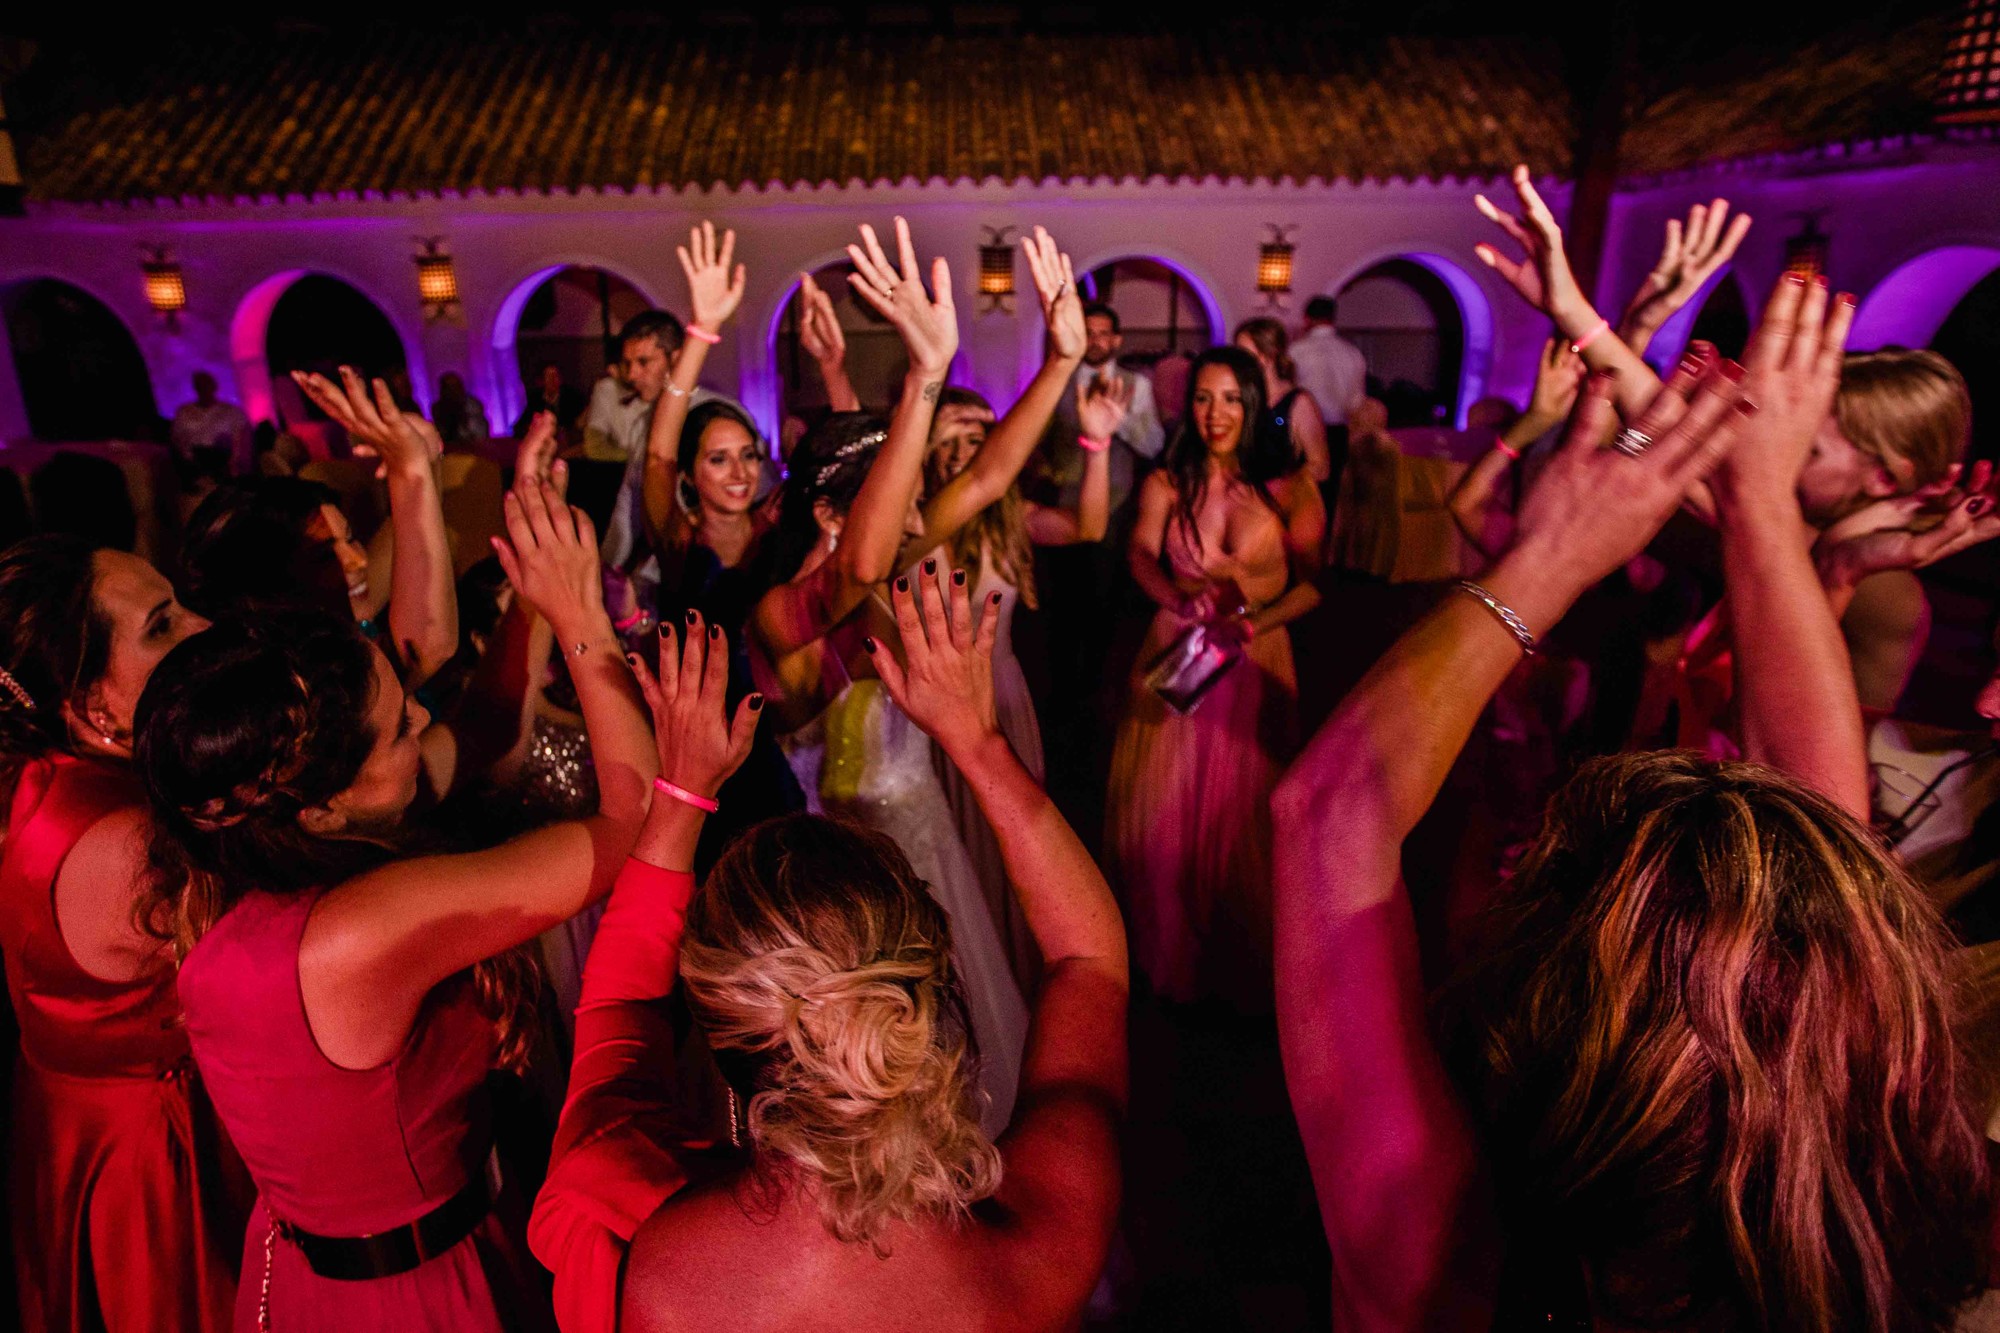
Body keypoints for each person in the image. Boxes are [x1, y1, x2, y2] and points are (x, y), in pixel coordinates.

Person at [1273, 276, 1992, 1330]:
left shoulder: (1445, 1253)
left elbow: (1324, 811)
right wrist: (1771, 520)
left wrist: (1551, 552)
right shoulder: (1877, 1247)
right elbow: (1821, 865)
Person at [533, 568, 1129, 1333]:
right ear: (923, 993)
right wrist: (978, 743)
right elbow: (1090, 962)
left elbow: (619, 1008)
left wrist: (679, 798)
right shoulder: (1035, 1255)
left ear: (721, 1035)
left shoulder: (657, 1274)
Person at [134, 472, 657, 1333]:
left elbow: (483, 731)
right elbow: (631, 822)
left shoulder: (231, 853)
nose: (423, 716)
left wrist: (531, 604)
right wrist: (584, 624)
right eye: (400, 725)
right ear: (324, 805)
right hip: (410, 1294)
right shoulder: (364, 926)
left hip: (307, 1269)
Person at [752, 219, 1083, 1134]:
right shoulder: (779, 612)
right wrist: (924, 375)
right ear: (828, 511)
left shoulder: (886, 548)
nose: (913, 516)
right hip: (825, 884)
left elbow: (987, 478)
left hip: (915, 854)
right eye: (888, 497)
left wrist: (1060, 361)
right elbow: (852, 574)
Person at [0, 536, 249, 1333]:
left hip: (73, 1138)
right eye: (162, 624)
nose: (205, 627)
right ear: (94, 709)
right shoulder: (137, 839)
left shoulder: (47, 775)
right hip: (151, 1169)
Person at [1105, 344, 1325, 1009]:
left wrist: (1254, 621)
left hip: (1256, 662)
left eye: (1231, 397)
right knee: (1165, 813)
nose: (1216, 412)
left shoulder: (1289, 485)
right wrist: (1174, 598)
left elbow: (1315, 585)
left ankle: (1242, 960)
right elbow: (1141, 553)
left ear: (1253, 403)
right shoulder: (1166, 483)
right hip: (1181, 655)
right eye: (1203, 397)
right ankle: (1173, 960)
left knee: (1245, 818)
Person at [919, 351, 1126, 984]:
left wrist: (1097, 444)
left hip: (1001, 701)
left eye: (977, 438)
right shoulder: (915, 526)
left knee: (1007, 842)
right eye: (949, 439)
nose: (964, 450)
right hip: (929, 712)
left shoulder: (1014, 521)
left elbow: (1089, 526)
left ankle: (1007, 963)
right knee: (945, 842)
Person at [632, 222, 805, 873]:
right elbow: (655, 450)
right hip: (689, 762)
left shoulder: (779, 536)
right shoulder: (679, 542)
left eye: (749, 456)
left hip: (769, 748)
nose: (739, 472)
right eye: (718, 459)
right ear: (689, 475)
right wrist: (702, 333)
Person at [181, 368, 459, 692]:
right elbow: (426, 649)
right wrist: (411, 469)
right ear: (268, 585)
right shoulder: (296, 687)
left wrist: (417, 442)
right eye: (326, 555)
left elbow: (413, 529)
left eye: (351, 538)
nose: (358, 560)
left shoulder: (350, 609)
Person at [1234, 316, 1334, 483]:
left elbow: (1321, 467)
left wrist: (1279, 487)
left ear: (1268, 356)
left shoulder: (1298, 402)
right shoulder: (1244, 398)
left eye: (1244, 353)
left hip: (1279, 502)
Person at [1287, 295, 1367, 429]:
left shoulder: (1296, 351)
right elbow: (1357, 399)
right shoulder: (1352, 352)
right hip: (1343, 428)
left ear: (1306, 319)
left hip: (1308, 428)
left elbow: (1287, 391)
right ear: (1333, 319)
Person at [169, 370, 253, 476]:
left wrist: (234, 464)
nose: (204, 389)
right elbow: (177, 440)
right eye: (200, 386)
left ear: (214, 386)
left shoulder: (232, 412)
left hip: (225, 465)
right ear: (195, 388)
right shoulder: (184, 413)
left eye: (206, 385)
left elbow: (243, 440)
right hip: (193, 467)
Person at [513, 361, 587, 440]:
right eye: (549, 376)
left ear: (560, 380)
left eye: (555, 376)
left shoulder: (571, 397)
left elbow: (578, 423)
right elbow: (519, 427)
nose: (552, 380)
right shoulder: (534, 399)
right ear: (542, 381)